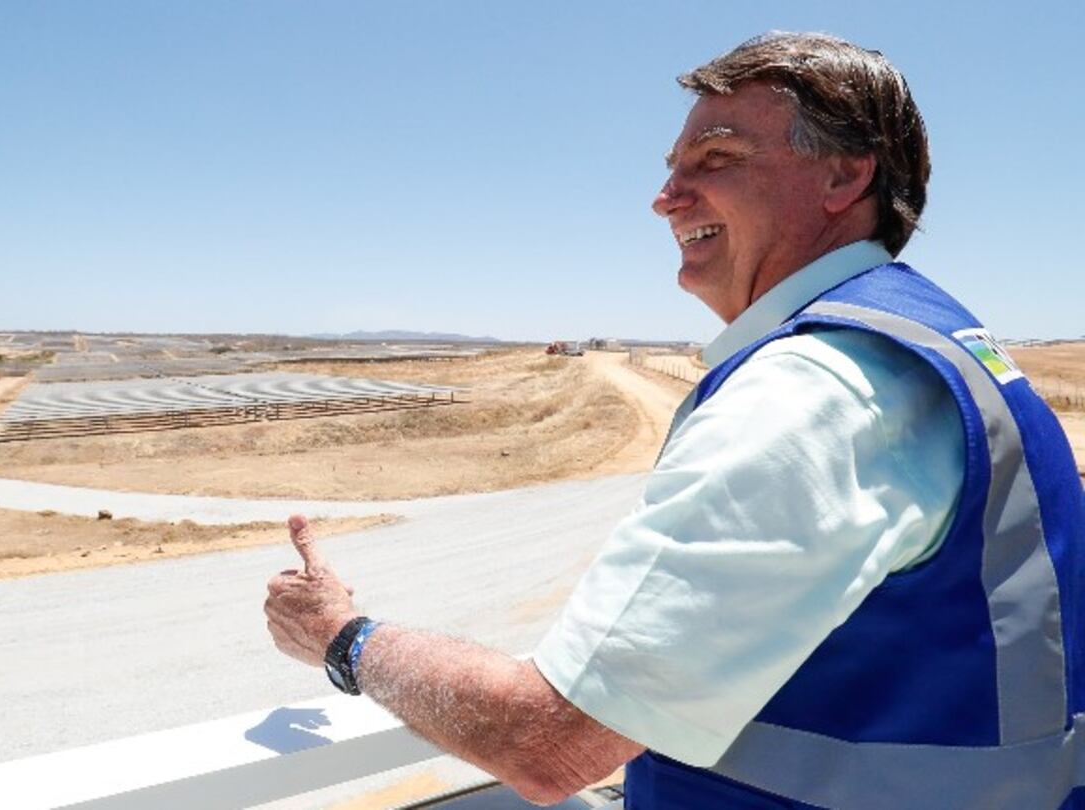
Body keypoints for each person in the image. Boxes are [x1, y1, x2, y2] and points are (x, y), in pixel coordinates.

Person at [265, 31, 1085, 809]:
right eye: (672, 168)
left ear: (844, 179)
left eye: (717, 157)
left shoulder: (812, 393)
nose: (665, 199)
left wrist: (342, 638)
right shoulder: (943, 344)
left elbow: (550, 741)